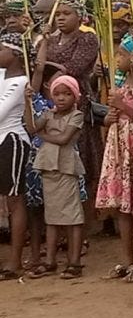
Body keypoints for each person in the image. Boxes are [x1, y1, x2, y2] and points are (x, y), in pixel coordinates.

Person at [95, 34, 133, 283]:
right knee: (122, 209)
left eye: (121, 54)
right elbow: (111, 116)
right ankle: (127, 260)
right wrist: (110, 117)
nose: (117, 58)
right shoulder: (117, 84)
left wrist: (122, 105)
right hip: (118, 148)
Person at [24, 74, 85, 279]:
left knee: (72, 217)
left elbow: (63, 139)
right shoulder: (49, 114)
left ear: (75, 96)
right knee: (52, 217)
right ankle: (50, 261)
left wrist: (42, 137)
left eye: (67, 94)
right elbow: (31, 126)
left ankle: (74, 262)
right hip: (49, 168)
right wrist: (27, 101)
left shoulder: (76, 115)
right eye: (57, 94)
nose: (61, 98)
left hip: (66, 167)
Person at [45, 0, 100, 223]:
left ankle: (84, 220)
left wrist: (55, 73)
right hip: (50, 103)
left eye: (66, 14)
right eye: (58, 14)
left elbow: (75, 67)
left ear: (79, 16)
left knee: (80, 159)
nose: (61, 18)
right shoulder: (48, 40)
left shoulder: (87, 39)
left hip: (77, 103)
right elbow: (38, 64)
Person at [0, 33, 31, 280]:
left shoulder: (20, 81)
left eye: (1, 50)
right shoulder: (2, 76)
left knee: (14, 201)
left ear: (15, 55)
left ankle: (15, 261)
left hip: (11, 141)